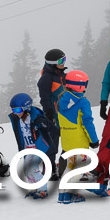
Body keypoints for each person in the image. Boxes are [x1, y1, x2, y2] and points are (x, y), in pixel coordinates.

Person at [57, 70, 99, 204]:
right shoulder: (83, 103)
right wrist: (94, 140)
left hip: (67, 142)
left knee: (70, 167)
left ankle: (62, 195)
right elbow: (87, 123)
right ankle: (69, 195)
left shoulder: (61, 99)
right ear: (81, 85)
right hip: (79, 142)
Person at [7, 93, 58, 199]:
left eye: (17, 110)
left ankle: (43, 189)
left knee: (32, 169)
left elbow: (51, 128)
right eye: (13, 110)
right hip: (27, 148)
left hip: (37, 148)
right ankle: (34, 188)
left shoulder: (36, 118)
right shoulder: (17, 120)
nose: (15, 113)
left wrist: (44, 125)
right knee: (27, 170)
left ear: (26, 107)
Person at [37, 48, 68, 179]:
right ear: (52, 62)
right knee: (52, 143)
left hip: (64, 115)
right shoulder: (46, 78)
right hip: (53, 116)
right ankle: (50, 169)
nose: (64, 62)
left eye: (64, 59)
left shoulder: (62, 75)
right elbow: (44, 98)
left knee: (67, 141)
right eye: (61, 60)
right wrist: (49, 113)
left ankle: (63, 165)